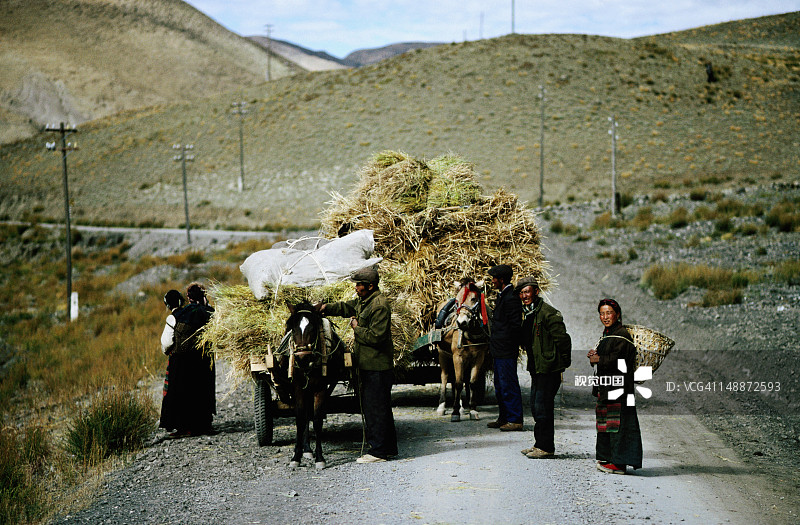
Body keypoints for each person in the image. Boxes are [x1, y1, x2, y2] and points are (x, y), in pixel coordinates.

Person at [318, 266, 398, 463]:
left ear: (370, 286)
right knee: (380, 407)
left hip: (376, 367)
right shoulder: (366, 301)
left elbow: (376, 337)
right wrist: (325, 308)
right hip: (369, 365)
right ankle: (388, 448)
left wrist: (357, 328)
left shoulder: (378, 305)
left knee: (375, 408)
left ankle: (378, 452)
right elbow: (347, 307)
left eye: (359, 285)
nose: (356, 288)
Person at [516, 277, 571, 458]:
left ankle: (546, 448)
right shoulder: (529, 313)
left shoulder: (548, 313)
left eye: (528, 292)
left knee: (543, 407)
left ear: (536, 292)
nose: (524, 296)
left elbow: (563, 340)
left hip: (549, 369)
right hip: (537, 369)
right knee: (535, 405)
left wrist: (562, 364)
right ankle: (539, 444)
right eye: (522, 293)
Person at [587, 298, 643, 474]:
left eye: (609, 312)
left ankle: (619, 464)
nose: (605, 317)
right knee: (606, 422)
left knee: (618, 424)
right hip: (607, 387)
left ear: (617, 314)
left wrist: (600, 359)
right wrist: (595, 355)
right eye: (602, 313)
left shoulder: (622, 335)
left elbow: (619, 360)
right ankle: (608, 458)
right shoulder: (609, 333)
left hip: (619, 388)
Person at [159, 282, 216, 438]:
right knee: (202, 390)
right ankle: (204, 424)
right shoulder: (209, 312)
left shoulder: (176, 316)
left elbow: (167, 343)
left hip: (181, 361)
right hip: (203, 359)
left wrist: (168, 352)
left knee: (182, 393)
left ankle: (184, 427)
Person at [486, 264, 524, 432]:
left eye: (494, 278)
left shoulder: (511, 298)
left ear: (501, 280)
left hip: (506, 351)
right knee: (500, 386)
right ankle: (504, 418)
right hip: (499, 350)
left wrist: (507, 345)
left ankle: (515, 419)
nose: (492, 281)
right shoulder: (503, 295)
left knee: (508, 384)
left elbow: (515, 327)